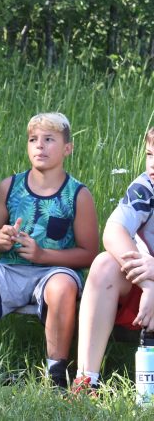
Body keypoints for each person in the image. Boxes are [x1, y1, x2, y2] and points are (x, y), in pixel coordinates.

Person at [0, 112, 99, 387]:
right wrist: (1, 240)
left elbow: (89, 253)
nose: (40, 146)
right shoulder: (10, 187)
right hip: (10, 268)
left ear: (67, 148)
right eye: (33, 139)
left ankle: (55, 375)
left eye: (49, 139)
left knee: (62, 287)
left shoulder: (78, 194)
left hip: (56, 270)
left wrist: (43, 255)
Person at [73, 128, 154, 393]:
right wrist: (149, 283)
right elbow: (113, 231)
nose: (152, 165)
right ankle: (85, 383)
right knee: (105, 264)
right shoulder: (146, 186)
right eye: (150, 155)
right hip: (144, 290)